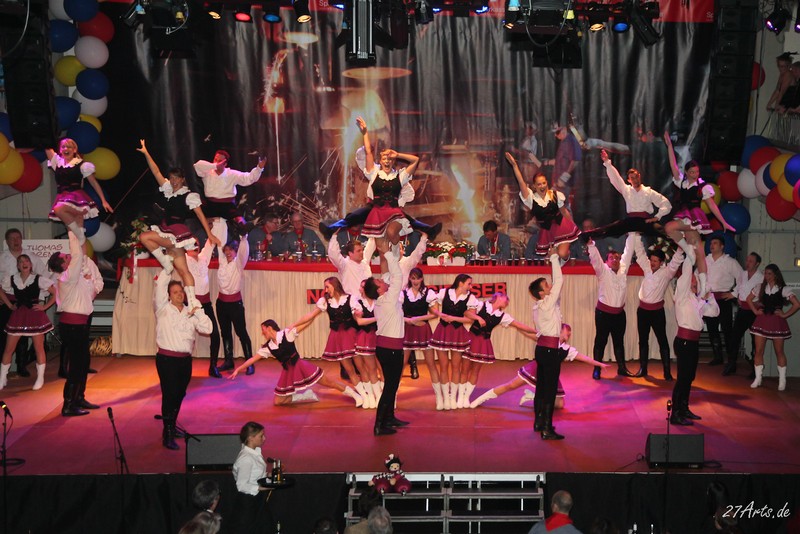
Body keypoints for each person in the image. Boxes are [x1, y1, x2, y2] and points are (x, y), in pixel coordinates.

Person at [319, 118, 440, 243]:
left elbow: (415, 160)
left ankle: (429, 231)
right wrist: (365, 133)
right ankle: (330, 229)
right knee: (353, 217)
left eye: (389, 159)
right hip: (374, 208)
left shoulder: (399, 176)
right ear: (380, 161)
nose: (387, 161)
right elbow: (368, 152)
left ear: (393, 161)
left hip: (393, 211)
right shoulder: (374, 172)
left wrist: (397, 154)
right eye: (384, 159)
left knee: (409, 220)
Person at [137, 140, 221, 310]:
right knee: (184, 271)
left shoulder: (189, 196)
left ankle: (166, 264)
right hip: (170, 232)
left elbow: (200, 215)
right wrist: (146, 153)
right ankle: (193, 301)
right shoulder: (168, 189)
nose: (174, 181)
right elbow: (156, 171)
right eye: (172, 178)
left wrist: (210, 234)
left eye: (177, 178)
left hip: (176, 232)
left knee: (144, 237)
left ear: (183, 180)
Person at [663, 131, 734, 296]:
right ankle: (702, 284)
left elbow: (712, 205)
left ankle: (702, 285)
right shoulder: (681, 182)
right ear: (687, 172)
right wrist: (669, 146)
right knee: (699, 252)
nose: (695, 175)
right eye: (692, 172)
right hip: (686, 217)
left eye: (697, 172)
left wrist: (723, 222)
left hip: (694, 218)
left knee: (670, 228)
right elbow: (673, 166)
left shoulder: (703, 187)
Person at [471, 323, 607, 409]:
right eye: (567, 331)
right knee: (511, 385)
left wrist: (599, 364)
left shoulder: (567, 349)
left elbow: (584, 358)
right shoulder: (547, 339)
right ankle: (480, 399)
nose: (569, 333)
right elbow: (530, 334)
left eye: (570, 332)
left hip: (551, 374)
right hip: (536, 369)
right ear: (559, 331)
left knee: (559, 404)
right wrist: (516, 326)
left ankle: (531, 396)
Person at [229, 319, 362, 406]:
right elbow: (253, 359)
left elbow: (304, 324)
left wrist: (314, 314)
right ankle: (305, 396)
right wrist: (238, 369)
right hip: (288, 372)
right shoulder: (268, 347)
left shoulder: (286, 334)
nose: (262, 333)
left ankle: (355, 395)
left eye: (263, 329)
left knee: (329, 382)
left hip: (300, 366)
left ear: (269, 328)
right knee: (278, 401)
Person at [153, 269, 212, 449]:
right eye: (175, 292)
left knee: (179, 394)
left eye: (181, 292)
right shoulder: (162, 309)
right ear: (169, 295)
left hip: (185, 361)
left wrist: (198, 312)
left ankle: (172, 424)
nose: (179, 295)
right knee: (169, 395)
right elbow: (160, 285)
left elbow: (208, 329)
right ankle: (167, 432)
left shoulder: (190, 312)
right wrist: (168, 266)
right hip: (167, 360)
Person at [48, 230, 102, 416]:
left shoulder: (73, 277)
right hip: (73, 326)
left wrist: (90, 282)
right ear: (63, 265)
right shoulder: (67, 277)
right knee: (77, 365)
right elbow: (78, 254)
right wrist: (73, 231)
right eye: (66, 257)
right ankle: (68, 405)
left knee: (83, 362)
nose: (69, 256)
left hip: (78, 324)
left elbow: (90, 291)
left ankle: (78, 398)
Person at [295, 277, 371, 406]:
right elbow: (310, 315)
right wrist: (294, 325)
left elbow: (359, 316)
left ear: (334, 286)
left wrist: (359, 313)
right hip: (337, 337)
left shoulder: (350, 299)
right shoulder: (325, 301)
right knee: (349, 370)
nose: (325, 290)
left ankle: (370, 395)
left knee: (361, 368)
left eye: (327, 287)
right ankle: (363, 396)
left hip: (351, 335)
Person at [670, 244, 719, 426]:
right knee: (683, 378)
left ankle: (684, 408)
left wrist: (708, 296)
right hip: (684, 341)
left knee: (689, 377)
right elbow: (686, 272)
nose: (695, 280)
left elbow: (714, 312)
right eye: (693, 278)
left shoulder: (697, 300)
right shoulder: (682, 296)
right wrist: (690, 251)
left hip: (692, 343)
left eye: (696, 278)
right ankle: (675, 413)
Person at [364, 239, 409, 435]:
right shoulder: (388, 299)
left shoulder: (383, 299)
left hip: (388, 348)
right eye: (379, 282)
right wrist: (388, 254)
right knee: (390, 386)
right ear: (379, 289)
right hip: (391, 350)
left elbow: (391, 275)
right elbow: (397, 275)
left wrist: (390, 252)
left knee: (393, 384)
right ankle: (379, 424)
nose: (382, 280)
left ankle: (389, 417)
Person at [461, 292, 538, 406]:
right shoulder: (481, 305)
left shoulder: (502, 316)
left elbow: (519, 325)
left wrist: (537, 332)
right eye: (505, 298)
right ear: (498, 297)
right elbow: (466, 312)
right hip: (471, 338)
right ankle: (461, 397)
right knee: (465, 368)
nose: (507, 301)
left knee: (475, 370)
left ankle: (466, 397)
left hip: (483, 342)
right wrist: (478, 317)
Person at [507, 152, 580, 261]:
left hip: (562, 226)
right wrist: (514, 165)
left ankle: (566, 255)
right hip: (547, 231)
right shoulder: (531, 199)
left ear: (547, 183)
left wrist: (573, 227)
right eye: (539, 184)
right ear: (534, 186)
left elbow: (564, 212)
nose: (542, 186)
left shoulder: (556, 195)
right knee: (551, 257)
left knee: (562, 254)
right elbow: (521, 182)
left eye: (544, 183)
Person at [583, 149, 671, 239]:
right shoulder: (626, 190)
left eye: (636, 177)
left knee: (663, 232)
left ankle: (676, 244)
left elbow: (665, 203)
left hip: (645, 221)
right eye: (632, 178)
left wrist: (657, 217)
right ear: (629, 180)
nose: (635, 180)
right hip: (630, 221)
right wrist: (607, 162)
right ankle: (585, 236)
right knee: (610, 229)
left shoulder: (649, 191)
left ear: (639, 176)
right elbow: (615, 178)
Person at [527, 248, 569, 439]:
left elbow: (556, 281)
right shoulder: (547, 304)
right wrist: (553, 256)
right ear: (542, 292)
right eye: (546, 285)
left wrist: (557, 262)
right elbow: (559, 281)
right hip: (550, 351)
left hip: (542, 349)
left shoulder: (539, 306)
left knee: (541, 387)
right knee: (550, 389)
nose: (550, 285)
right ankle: (547, 428)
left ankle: (538, 422)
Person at [0, 254, 56, 391]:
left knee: (38, 347)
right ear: (18, 266)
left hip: (34, 315)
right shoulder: (12, 279)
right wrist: (9, 304)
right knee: (8, 348)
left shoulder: (38, 279)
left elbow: (56, 293)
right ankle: (2, 378)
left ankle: (40, 378)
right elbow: (1, 290)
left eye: (26, 261)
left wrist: (44, 306)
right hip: (18, 315)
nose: (24, 263)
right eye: (20, 262)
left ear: (31, 264)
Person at [631, 234, 684, 379]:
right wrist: (636, 236)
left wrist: (681, 246)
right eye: (651, 260)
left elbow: (676, 261)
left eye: (655, 261)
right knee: (643, 340)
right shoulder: (647, 268)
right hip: (642, 311)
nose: (652, 263)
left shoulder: (667, 273)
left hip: (657, 312)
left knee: (662, 340)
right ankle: (643, 369)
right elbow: (640, 253)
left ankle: (667, 371)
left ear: (661, 262)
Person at [45, 137, 114, 245]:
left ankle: (80, 234)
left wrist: (103, 201)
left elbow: (94, 183)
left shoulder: (82, 165)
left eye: (69, 146)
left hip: (77, 199)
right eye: (63, 146)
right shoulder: (57, 163)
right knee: (73, 236)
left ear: (74, 150)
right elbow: (46, 146)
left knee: (59, 209)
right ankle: (80, 252)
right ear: (60, 150)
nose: (66, 148)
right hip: (62, 197)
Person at [0, 228, 48, 378]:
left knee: (25, 335)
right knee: (4, 335)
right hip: (7, 300)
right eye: (12, 238)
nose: (16, 241)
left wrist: (39, 299)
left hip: (27, 301)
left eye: (18, 238)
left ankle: (21, 365)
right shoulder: (2, 258)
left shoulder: (31, 257)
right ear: (7, 241)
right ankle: (3, 371)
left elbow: (44, 275)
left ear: (22, 239)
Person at [429, 274, 480, 410]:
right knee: (443, 366)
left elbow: (471, 319)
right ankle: (445, 398)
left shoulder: (470, 298)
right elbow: (432, 307)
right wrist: (440, 314)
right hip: (442, 332)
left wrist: (454, 318)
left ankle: (453, 398)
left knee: (456, 366)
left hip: (458, 333)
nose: (471, 286)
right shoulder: (444, 292)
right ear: (460, 283)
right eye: (469, 283)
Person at [193, 149, 265, 241]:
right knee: (210, 226)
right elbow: (197, 166)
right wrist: (215, 165)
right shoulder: (207, 172)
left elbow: (249, 178)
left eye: (220, 161)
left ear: (225, 163)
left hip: (227, 204)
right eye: (215, 159)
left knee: (238, 221)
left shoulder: (232, 174)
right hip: (211, 205)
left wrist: (259, 168)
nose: (217, 162)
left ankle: (242, 228)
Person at [747, 263, 799, 391]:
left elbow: (797, 304)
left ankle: (782, 380)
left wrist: (784, 315)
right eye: (765, 273)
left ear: (775, 274)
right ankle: (758, 378)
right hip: (762, 321)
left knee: (779, 351)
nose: (767, 276)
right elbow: (749, 299)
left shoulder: (783, 289)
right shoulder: (760, 287)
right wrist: (755, 311)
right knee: (758, 351)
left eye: (769, 273)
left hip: (776, 322)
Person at [588, 235, 634, 379]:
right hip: (603, 314)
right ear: (607, 261)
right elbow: (595, 259)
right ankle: (597, 369)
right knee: (600, 341)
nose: (615, 260)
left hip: (619, 314)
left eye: (617, 258)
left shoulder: (623, 270)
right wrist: (591, 245)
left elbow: (629, 251)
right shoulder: (603, 271)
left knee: (619, 342)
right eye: (611, 258)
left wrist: (632, 234)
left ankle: (622, 368)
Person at [214, 230, 255, 376]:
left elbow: (243, 252)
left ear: (235, 251)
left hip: (235, 304)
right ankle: (228, 361)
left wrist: (243, 237)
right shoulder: (222, 262)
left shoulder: (238, 263)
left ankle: (250, 363)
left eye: (231, 250)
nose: (228, 253)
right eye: (226, 250)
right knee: (225, 332)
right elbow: (218, 242)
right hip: (221, 304)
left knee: (241, 332)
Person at [402, 268, 440, 406]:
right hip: (407, 329)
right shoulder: (403, 293)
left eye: (418, 278)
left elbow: (435, 313)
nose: (415, 281)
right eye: (413, 278)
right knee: (401, 364)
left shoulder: (428, 293)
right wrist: (408, 320)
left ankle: (439, 397)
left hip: (423, 329)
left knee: (431, 363)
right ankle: (392, 397)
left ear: (422, 278)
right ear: (409, 279)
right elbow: (396, 312)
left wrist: (418, 318)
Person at [703, 235, 743, 366]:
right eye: (711, 243)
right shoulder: (705, 260)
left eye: (715, 243)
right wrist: (701, 292)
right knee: (712, 329)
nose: (712, 245)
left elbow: (742, 278)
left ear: (722, 246)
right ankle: (717, 356)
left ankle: (731, 359)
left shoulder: (730, 262)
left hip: (724, 299)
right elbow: (698, 276)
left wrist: (734, 294)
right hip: (709, 299)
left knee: (727, 330)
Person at [186, 238, 222, 377]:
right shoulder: (183, 259)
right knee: (186, 336)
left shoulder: (203, 257)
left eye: (197, 243)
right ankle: (184, 368)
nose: (195, 246)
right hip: (190, 304)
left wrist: (212, 227)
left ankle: (213, 366)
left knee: (215, 334)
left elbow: (211, 240)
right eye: (192, 244)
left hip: (206, 304)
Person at [723, 252, 763, 377]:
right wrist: (733, 295)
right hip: (742, 310)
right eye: (747, 260)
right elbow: (738, 288)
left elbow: (762, 295)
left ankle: (755, 368)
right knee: (734, 337)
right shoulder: (743, 274)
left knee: (755, 340)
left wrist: (758, 304)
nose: (747, 263)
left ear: (757, 264)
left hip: (754, 311)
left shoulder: (761, 277)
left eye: (751, 261)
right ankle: (731, 364)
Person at [232, 421, 269, 534]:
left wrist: (269, 476)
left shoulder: (254, 452)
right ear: (250, 438)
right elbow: (241, 485)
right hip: (248, 503)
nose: (264, 438)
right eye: (261, 436)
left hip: (256, 500)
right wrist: (261, 488)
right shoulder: (246, 458)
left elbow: (255, 475)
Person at [352, 280, 382, 409]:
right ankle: (370, 396)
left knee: (380, 368)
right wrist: (378, 318)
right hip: (363, 337)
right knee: (366, 369)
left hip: (379, 337)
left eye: (363, 287)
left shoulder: (379, 302)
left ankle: (380, 396)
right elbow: (359, 321)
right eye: (361, 286)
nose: (361, 289)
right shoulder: (356, 302)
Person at [544, 125, 582, 198]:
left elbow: (575, 160)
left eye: (557, 132)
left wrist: (564, 177)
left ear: (564, 129)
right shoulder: (563, 142)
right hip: (559, 180)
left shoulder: (571, 141)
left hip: (566, 182)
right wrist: (547, 162)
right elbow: (561, 160)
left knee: (562, 201)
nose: (556, 135)